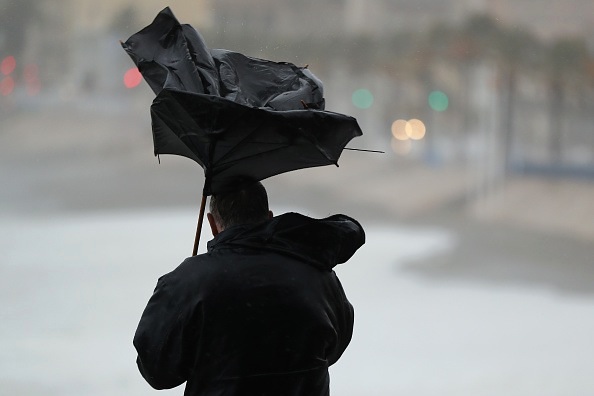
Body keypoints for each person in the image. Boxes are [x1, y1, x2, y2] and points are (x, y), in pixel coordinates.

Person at [133, 181, 365, 396]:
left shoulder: (188, 282)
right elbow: (336, 345)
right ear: (269, 217)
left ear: (213, 224)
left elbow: (157, 371)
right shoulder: (317, 274)